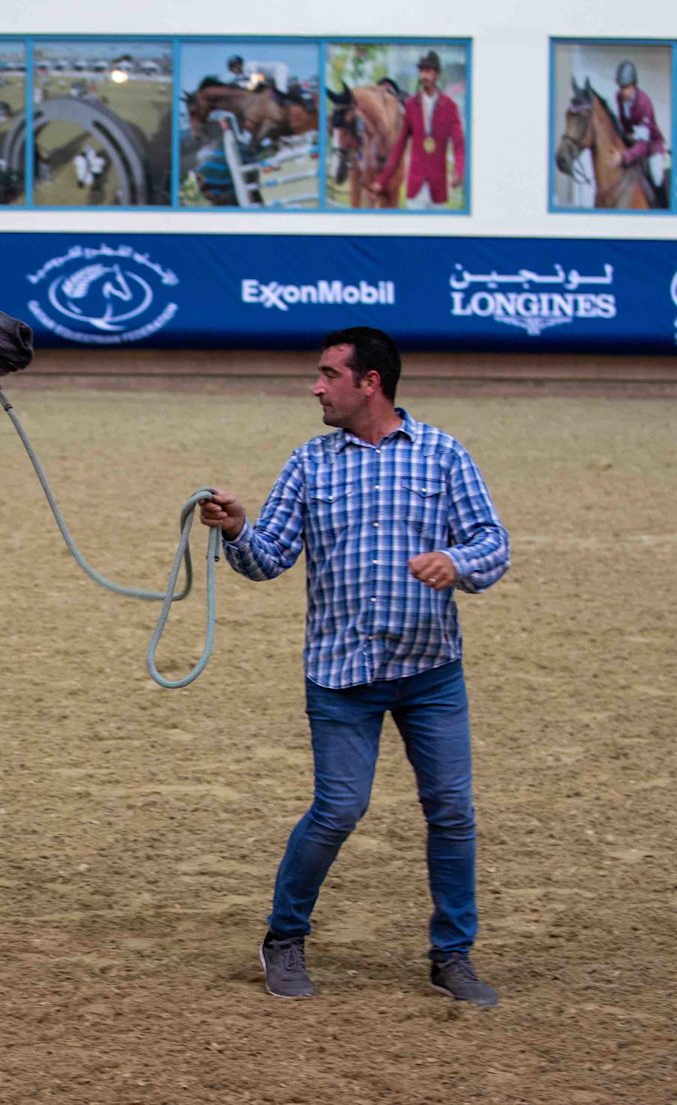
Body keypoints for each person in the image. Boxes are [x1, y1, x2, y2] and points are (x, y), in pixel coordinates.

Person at [199, 327, 510, 1007]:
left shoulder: (443, 456)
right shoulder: (309, 464)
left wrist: (458, 562)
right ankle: (283, 937)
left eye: (328, 374)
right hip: (341, 674)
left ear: (370, 381)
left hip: (431, 671)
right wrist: (235, 529)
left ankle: (452, 954)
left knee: (452, 811)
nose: (316, 386)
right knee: (339, 809)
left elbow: (493, 541)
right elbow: (268, 558)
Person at [370, 50, 465, 209]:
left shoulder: (450, 107)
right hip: (416, 188)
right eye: (422, 71)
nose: (424, 76)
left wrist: (458, 170)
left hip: (438, 189)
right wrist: (382, 181)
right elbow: (399, 147)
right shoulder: (411, 105)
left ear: (437, 74)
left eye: (428, 71)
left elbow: (459, 143)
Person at [613, 60, 669, 198]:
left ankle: (664, 206)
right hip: (633, 140)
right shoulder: (619, 97)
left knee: (656, 175)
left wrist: (624, 156)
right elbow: (623, 124)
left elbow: (643, 145)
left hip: (652, 144)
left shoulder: (644, 103)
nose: (622, 91)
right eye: (621, 87)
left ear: (634, 85)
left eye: (625, 87)